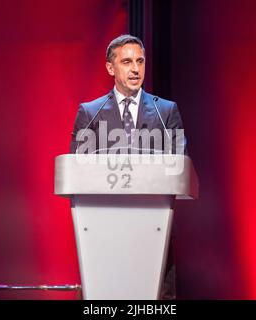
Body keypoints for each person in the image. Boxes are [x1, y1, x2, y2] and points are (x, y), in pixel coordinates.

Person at [69, 34, 186, 299]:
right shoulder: (90, 113)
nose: (135, 69)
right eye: (127, 62)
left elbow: (179, 165)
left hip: (154, 230)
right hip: (103, 231)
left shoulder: (165, 112)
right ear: (111, 68)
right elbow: (77, 171)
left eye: (140, 61)